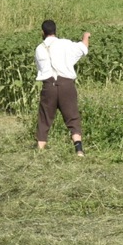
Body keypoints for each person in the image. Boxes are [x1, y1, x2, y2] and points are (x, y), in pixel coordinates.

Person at [35, 20, 90, 156]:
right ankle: (79, 151)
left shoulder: (39, 48)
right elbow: (83, 48)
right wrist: (86, 36)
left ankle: (40, 152)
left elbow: (40, 68)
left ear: (43, 32)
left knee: (44, 118)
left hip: (48, 86)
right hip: (66, 85)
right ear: (55, 30)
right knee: (72, 117)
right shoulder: (65, 44)